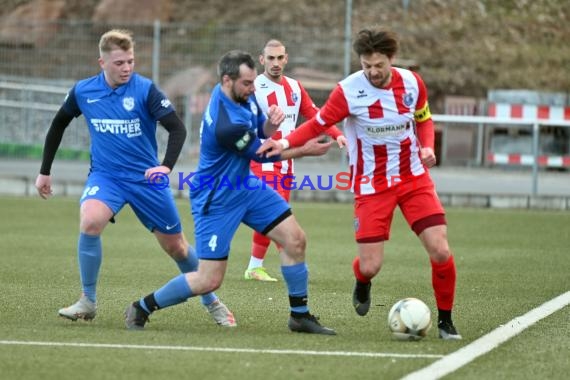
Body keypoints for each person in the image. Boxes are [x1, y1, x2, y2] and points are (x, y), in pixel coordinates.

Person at [258, 27, 462, 340]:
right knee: (370, 266)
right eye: (366, 66)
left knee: (440, 250)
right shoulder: (348, 90)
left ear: (391, 59)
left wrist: (428, 146)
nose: (372, 72)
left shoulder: (412, 82)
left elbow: (424, 118)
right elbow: (317, 124)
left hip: (413, 178)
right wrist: (283, 142)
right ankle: (363, 281)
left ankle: (446, 322)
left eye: (379, 65)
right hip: (371, 184)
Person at [124, 50, 336, 335]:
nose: (253, 87)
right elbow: (262, 155)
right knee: (208, 280)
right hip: (217, 197)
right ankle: (143, 306)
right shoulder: (226, 122)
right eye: (247, 83)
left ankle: (300, 315)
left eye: (252, 81)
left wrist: (271, 124)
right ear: (227, 80)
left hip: (245, 187)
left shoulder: (239, 96)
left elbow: (260, 130)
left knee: (295, 239)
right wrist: (305, 150)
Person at [34, 29, 236, 327]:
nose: (126, 68)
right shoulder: (83, 91)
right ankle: (87, 300)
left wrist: (166, 166)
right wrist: (44, 171)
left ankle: (212, 301)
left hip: (146, 180)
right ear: (101, 62)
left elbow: (177, 129)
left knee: (177, 247)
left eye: (130, 61)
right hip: (107, 177)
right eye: (119, 63)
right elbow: (58, 125)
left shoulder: (145, 90)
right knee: (90, 221)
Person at [244, 39, 347, 282]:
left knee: (278, 213)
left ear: (286, 59)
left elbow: (315, 115)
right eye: (271, 58)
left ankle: (257, 266)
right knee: (276, 213)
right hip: (264, 160)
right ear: (262, 60)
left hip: (287, 161)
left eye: (280, 58)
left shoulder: (294, 87)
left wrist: (338, 134)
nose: (276, 63)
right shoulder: (254, 88)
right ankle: (286, 263)